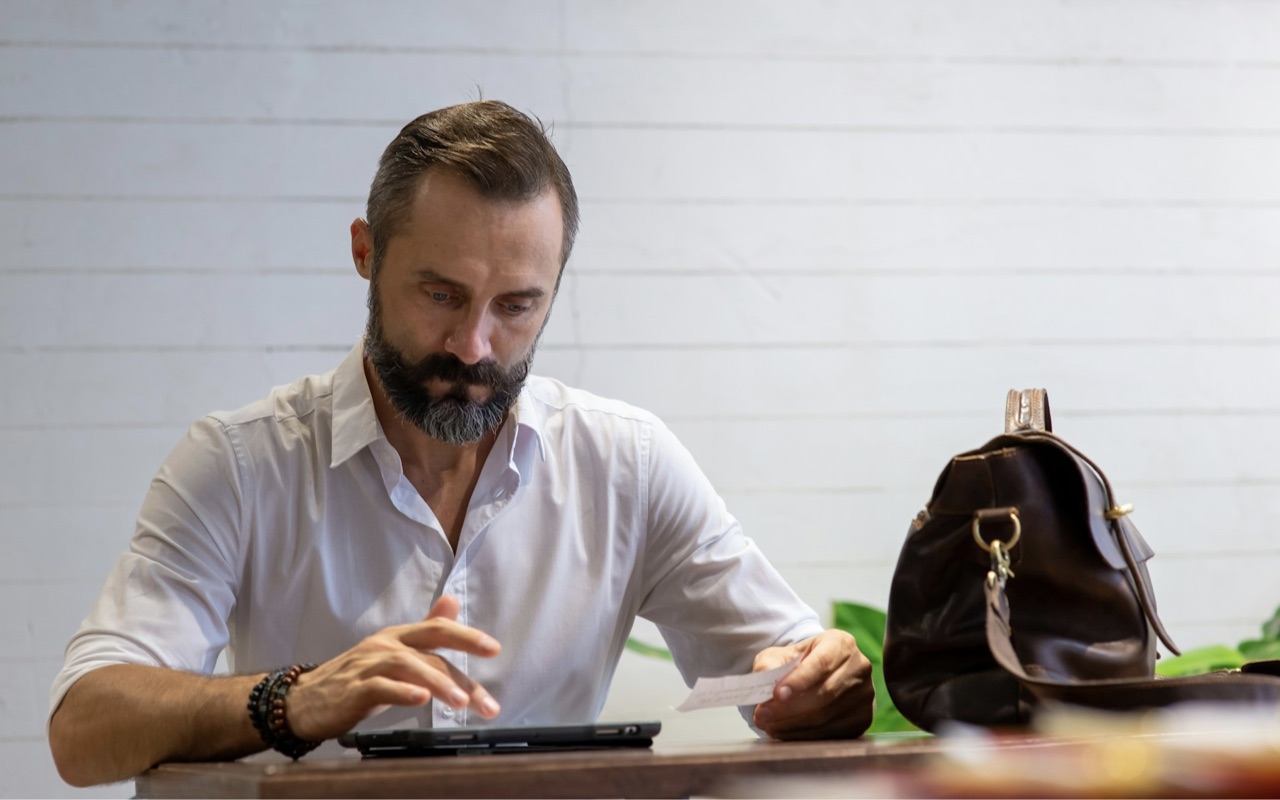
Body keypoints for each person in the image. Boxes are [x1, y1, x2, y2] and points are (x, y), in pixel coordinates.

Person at [47, 100, 874, 787]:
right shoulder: (240, 464)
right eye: (441, 294)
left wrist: (822, 684)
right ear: (365, 253)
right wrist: (290, 703)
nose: (474, 346)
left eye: (516, 305)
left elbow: (798, 675)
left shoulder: (627, 462)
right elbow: (85, 726)